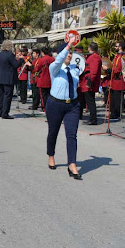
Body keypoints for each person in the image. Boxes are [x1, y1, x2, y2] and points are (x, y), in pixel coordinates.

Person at [46, 42, 82, 180]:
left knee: (71, 135)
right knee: (53, 132)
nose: (69, 55)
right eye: (67, 52)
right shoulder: (54, 68)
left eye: (71, 53)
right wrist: (67, 47)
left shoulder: (75, 69)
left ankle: (72, 164)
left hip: (72, 105)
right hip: (55, 104)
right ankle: (51, 155)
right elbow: (59, 59)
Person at [0, 40, 24, 119]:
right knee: (7, 96)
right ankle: (5, 113)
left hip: (0, 78)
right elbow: (15, 65)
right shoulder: (10, 55)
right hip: (8, 78)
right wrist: (21, 60)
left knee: (0, 96)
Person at [79, 42, 102, 125]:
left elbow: (94, 71)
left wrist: (89, 81)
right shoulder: (92, 57)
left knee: (90, 101)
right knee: (87, 100)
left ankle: (93, 119)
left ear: (90, 48)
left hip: (88, 82)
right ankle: (91, 118)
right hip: (86, 81)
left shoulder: (94, 57)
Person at [109, 41, 125, 120]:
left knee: (117, 98)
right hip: (114, 80)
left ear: (120, 47)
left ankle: (117, 113)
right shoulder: (117, 56)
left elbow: (119, 68)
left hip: (118, 79)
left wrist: (110, 70)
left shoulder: (122, 56)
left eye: (116, 46)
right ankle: (113, 112)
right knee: (113, 97)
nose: (115, 47)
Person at [36, 47, 55, 112]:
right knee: (50, 95)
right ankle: (50, 107)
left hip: (42, 79)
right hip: (50, 80)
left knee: (43, 96)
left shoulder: (41, 60)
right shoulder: (52, 59)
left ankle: (45, 108)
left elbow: (37, 69)